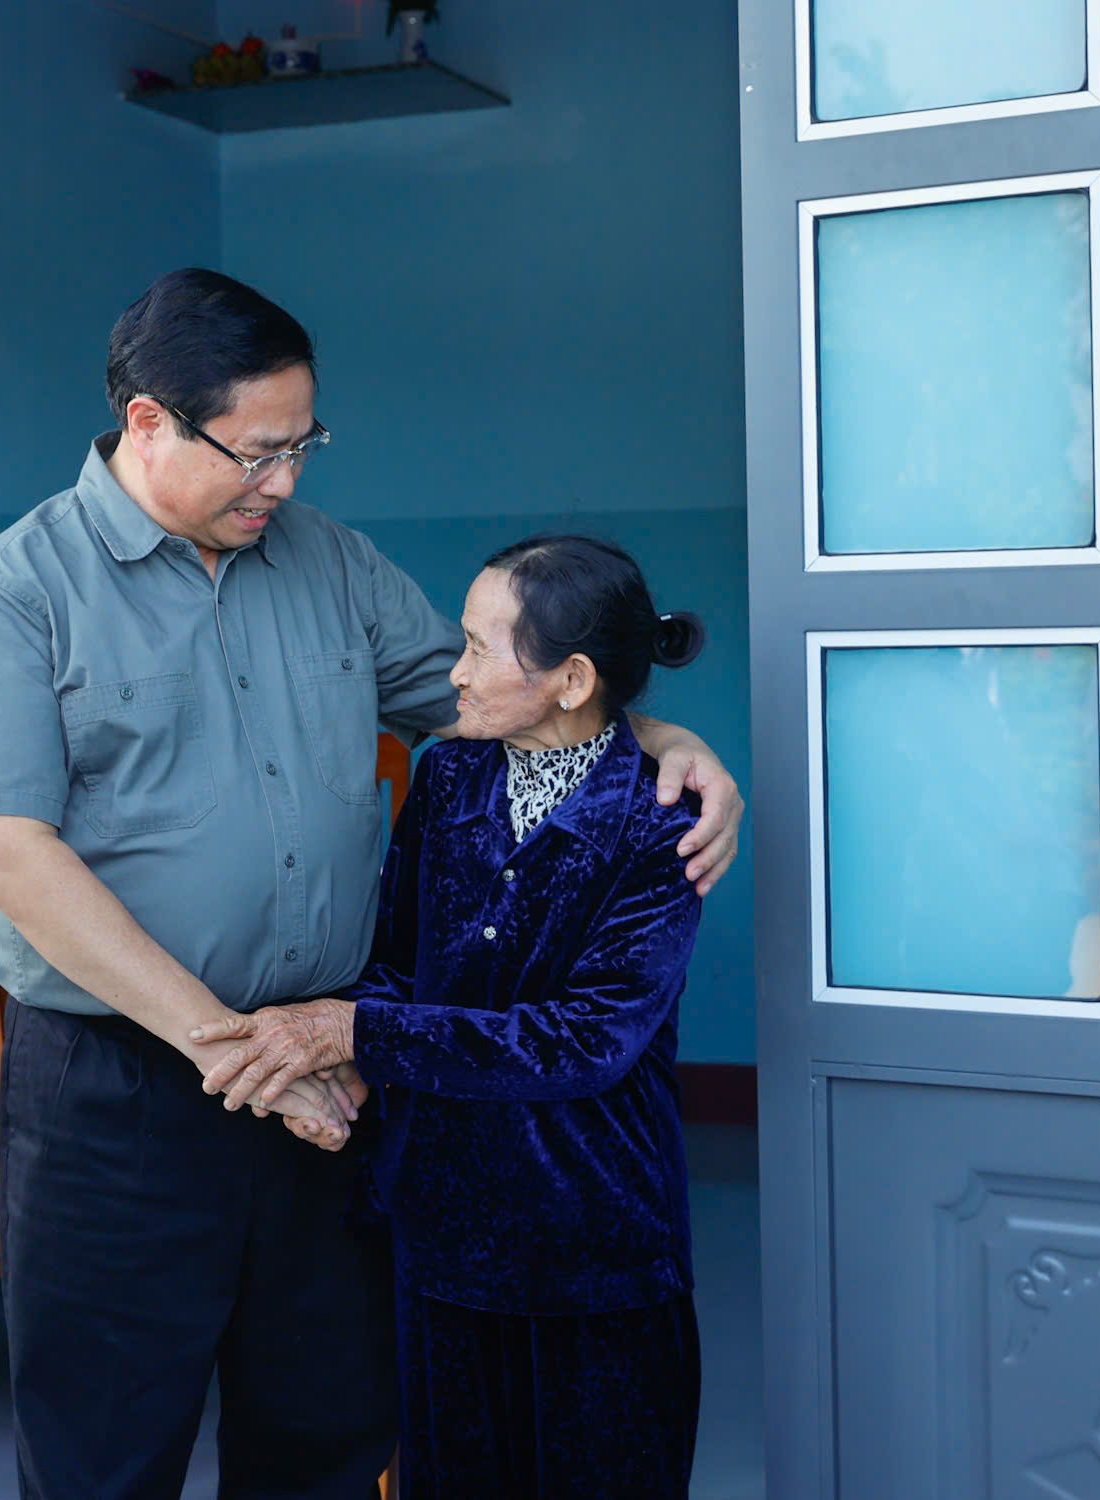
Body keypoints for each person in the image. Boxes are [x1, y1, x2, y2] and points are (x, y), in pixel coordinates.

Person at [0, 268, 744, 1499]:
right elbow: (8, 855)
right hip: (123, 1088)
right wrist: (239, 1047)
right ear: (148, 421)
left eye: (303, 447)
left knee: (328, 1432)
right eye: (256, 453)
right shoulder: (15, 592)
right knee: (102, 1451)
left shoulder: (330, 566)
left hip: (337, 1077)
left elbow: (487, 707)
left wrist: (658, 738)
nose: (284, 483)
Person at [194, 535, 712, 1497]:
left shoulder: (661, 820)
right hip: (438, 1229)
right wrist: (333, 1053)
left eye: (479, 647)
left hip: (591, 1242)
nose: (453, 672)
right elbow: (397, 962)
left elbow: (585, 1041)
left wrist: (353, 1033)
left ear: (572, 679)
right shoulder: (448, 777)